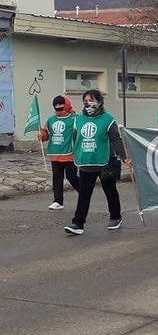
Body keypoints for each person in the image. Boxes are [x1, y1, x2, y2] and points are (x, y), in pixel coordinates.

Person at [64, 90, 130, 235]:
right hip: (86, 162)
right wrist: (75, 153)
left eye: (92, 100)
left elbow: (116, 140)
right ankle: (78, 223)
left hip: (105, 162)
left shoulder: (107, 119)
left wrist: (124, 157)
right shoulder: (78, 120)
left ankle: (115, 217)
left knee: (110, 191)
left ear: (99, 102)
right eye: (86, 100)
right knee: (84, 194)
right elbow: (75, 138)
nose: (88, 103)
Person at [38, 95, 80, 210]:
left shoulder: (75, 118)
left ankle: (84, 193)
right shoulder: (51, 120)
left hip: (69, 154)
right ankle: (58, 201)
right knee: (57, 178)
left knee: (71, 176)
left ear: (66, 104)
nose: (58, 107)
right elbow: (46, 135)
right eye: (56, 105)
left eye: (60, 104)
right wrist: (42, 136)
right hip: (54, 153)